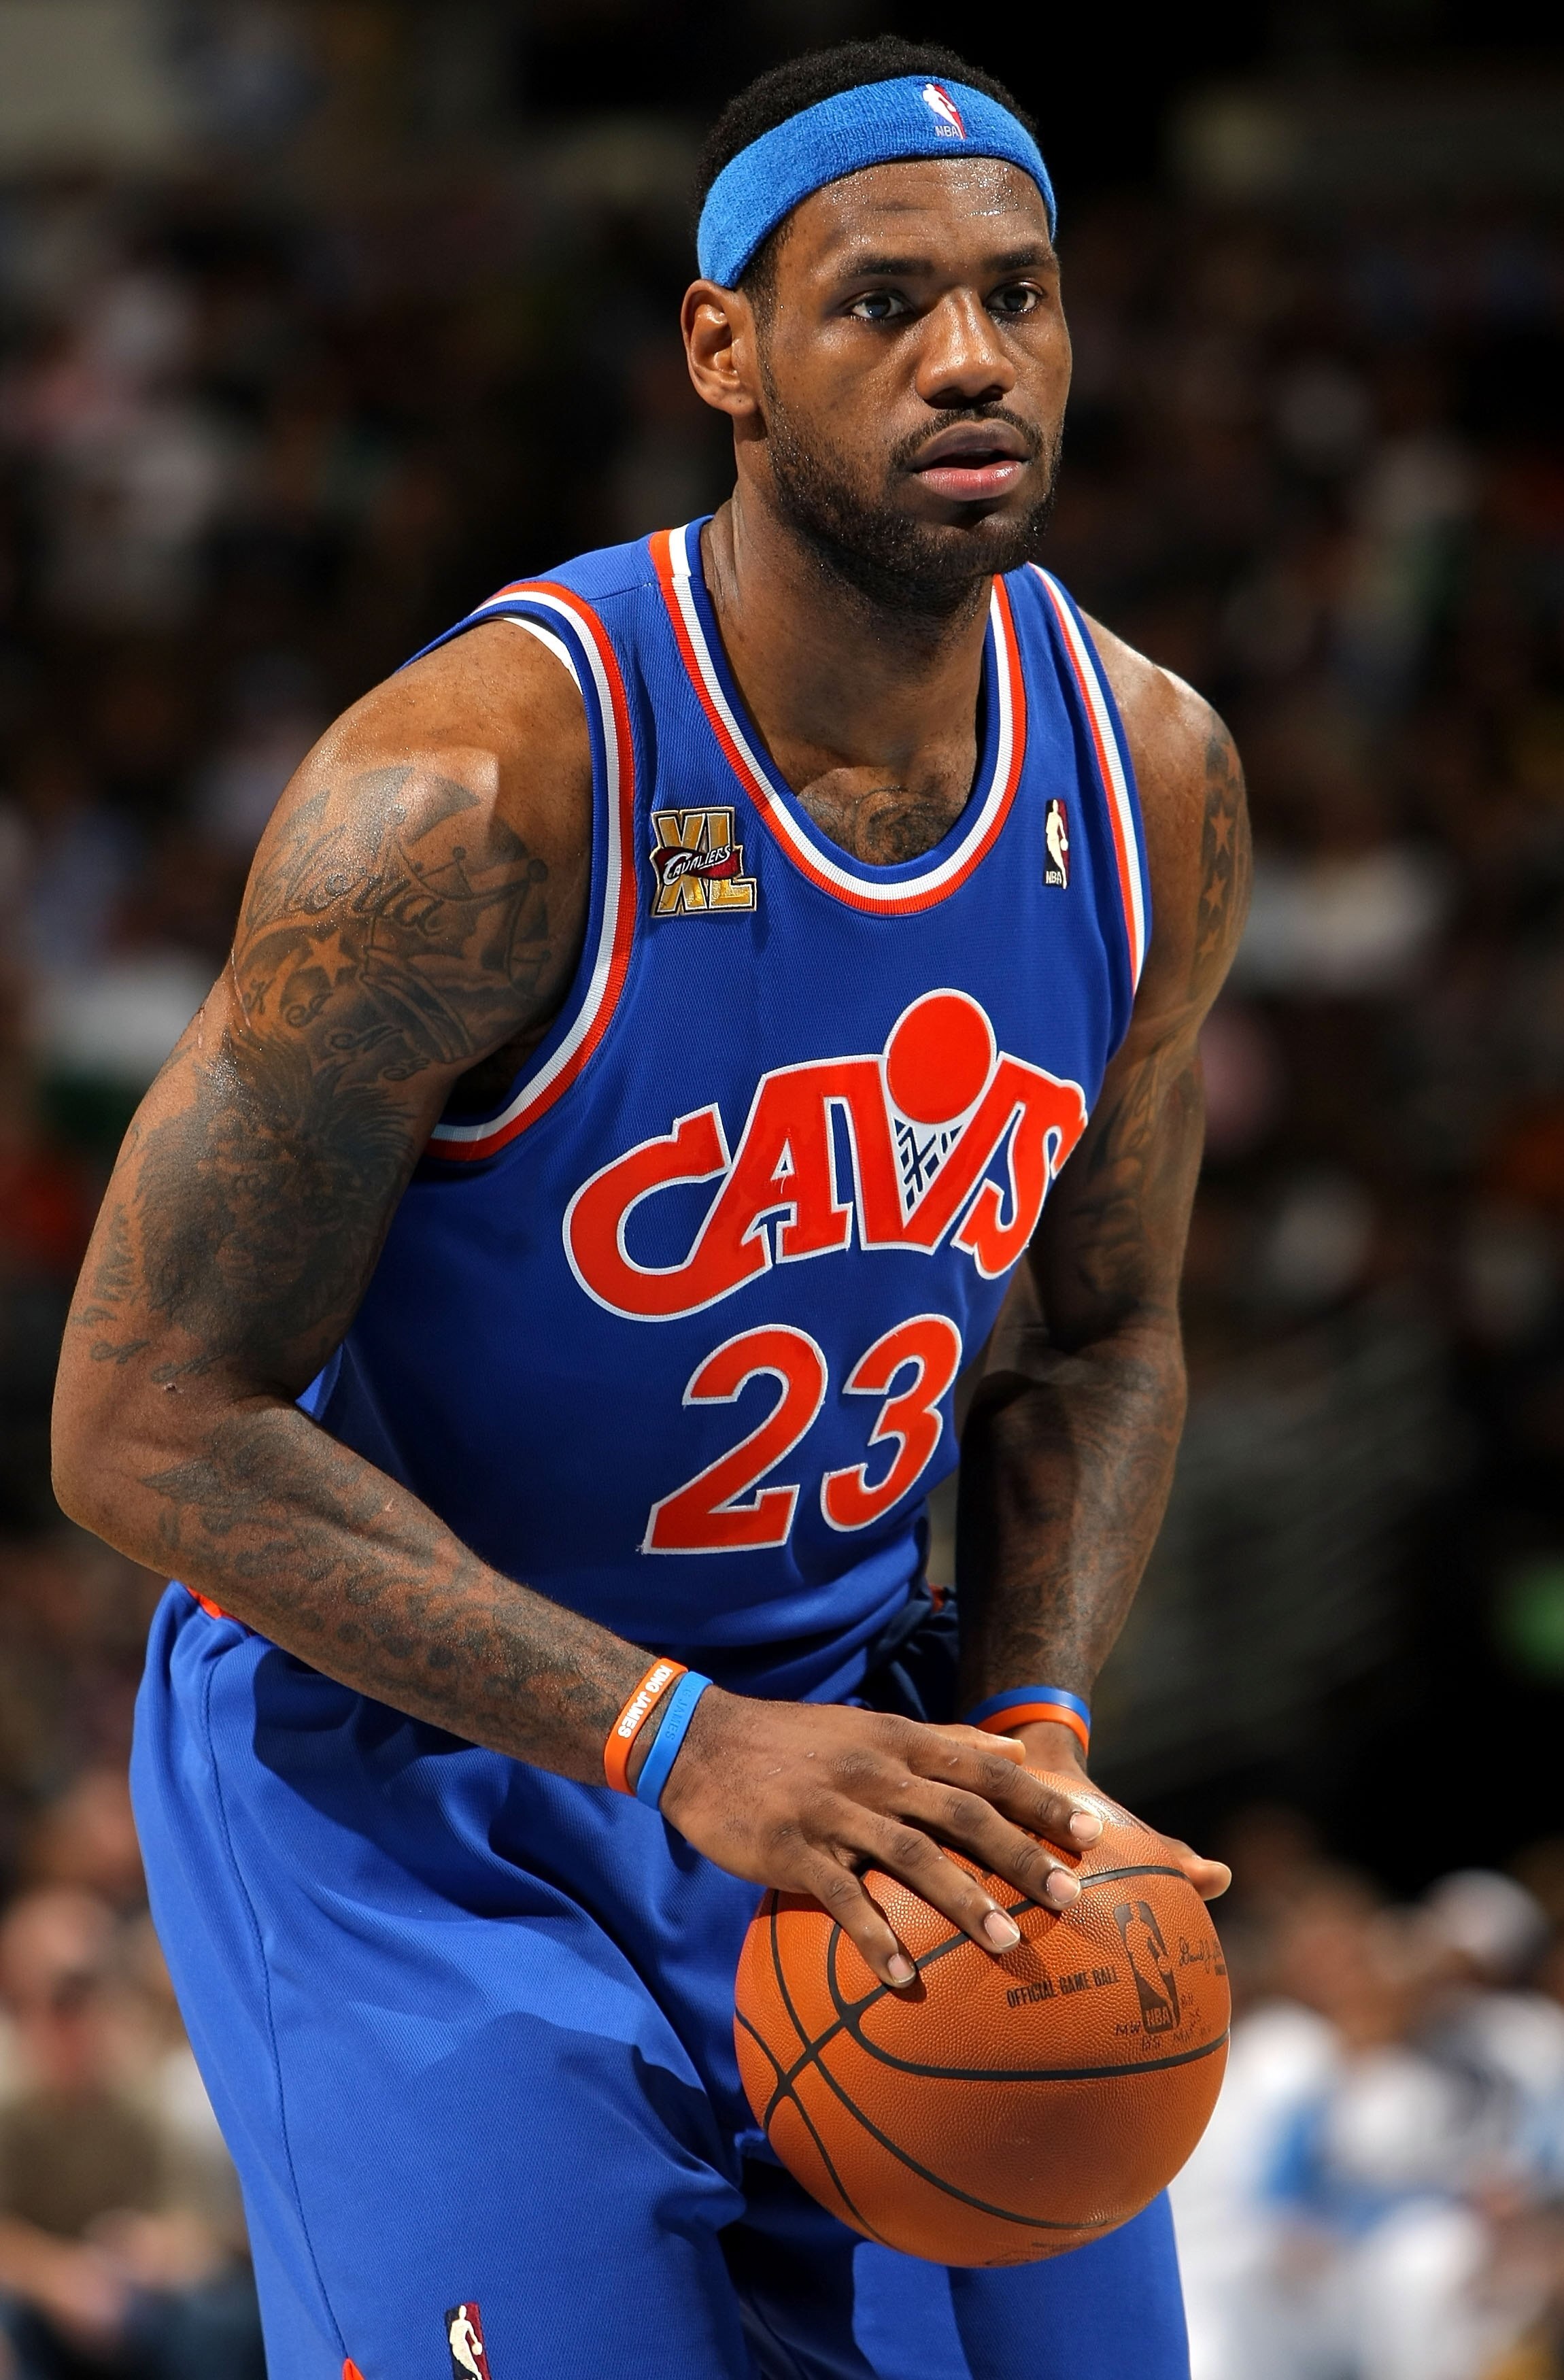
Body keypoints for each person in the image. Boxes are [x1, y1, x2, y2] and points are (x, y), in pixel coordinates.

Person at [51, 35, 1250, 2380]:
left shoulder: (1147, 776)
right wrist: (666, 1732)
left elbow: (1099, 1337)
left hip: (856, 1728)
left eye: (1019, 295)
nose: (972, 357)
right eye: (882, 304)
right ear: (722, 351)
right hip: (410, 1768)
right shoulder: (471, 796)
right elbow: (138, 1425)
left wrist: (1030, 1713)